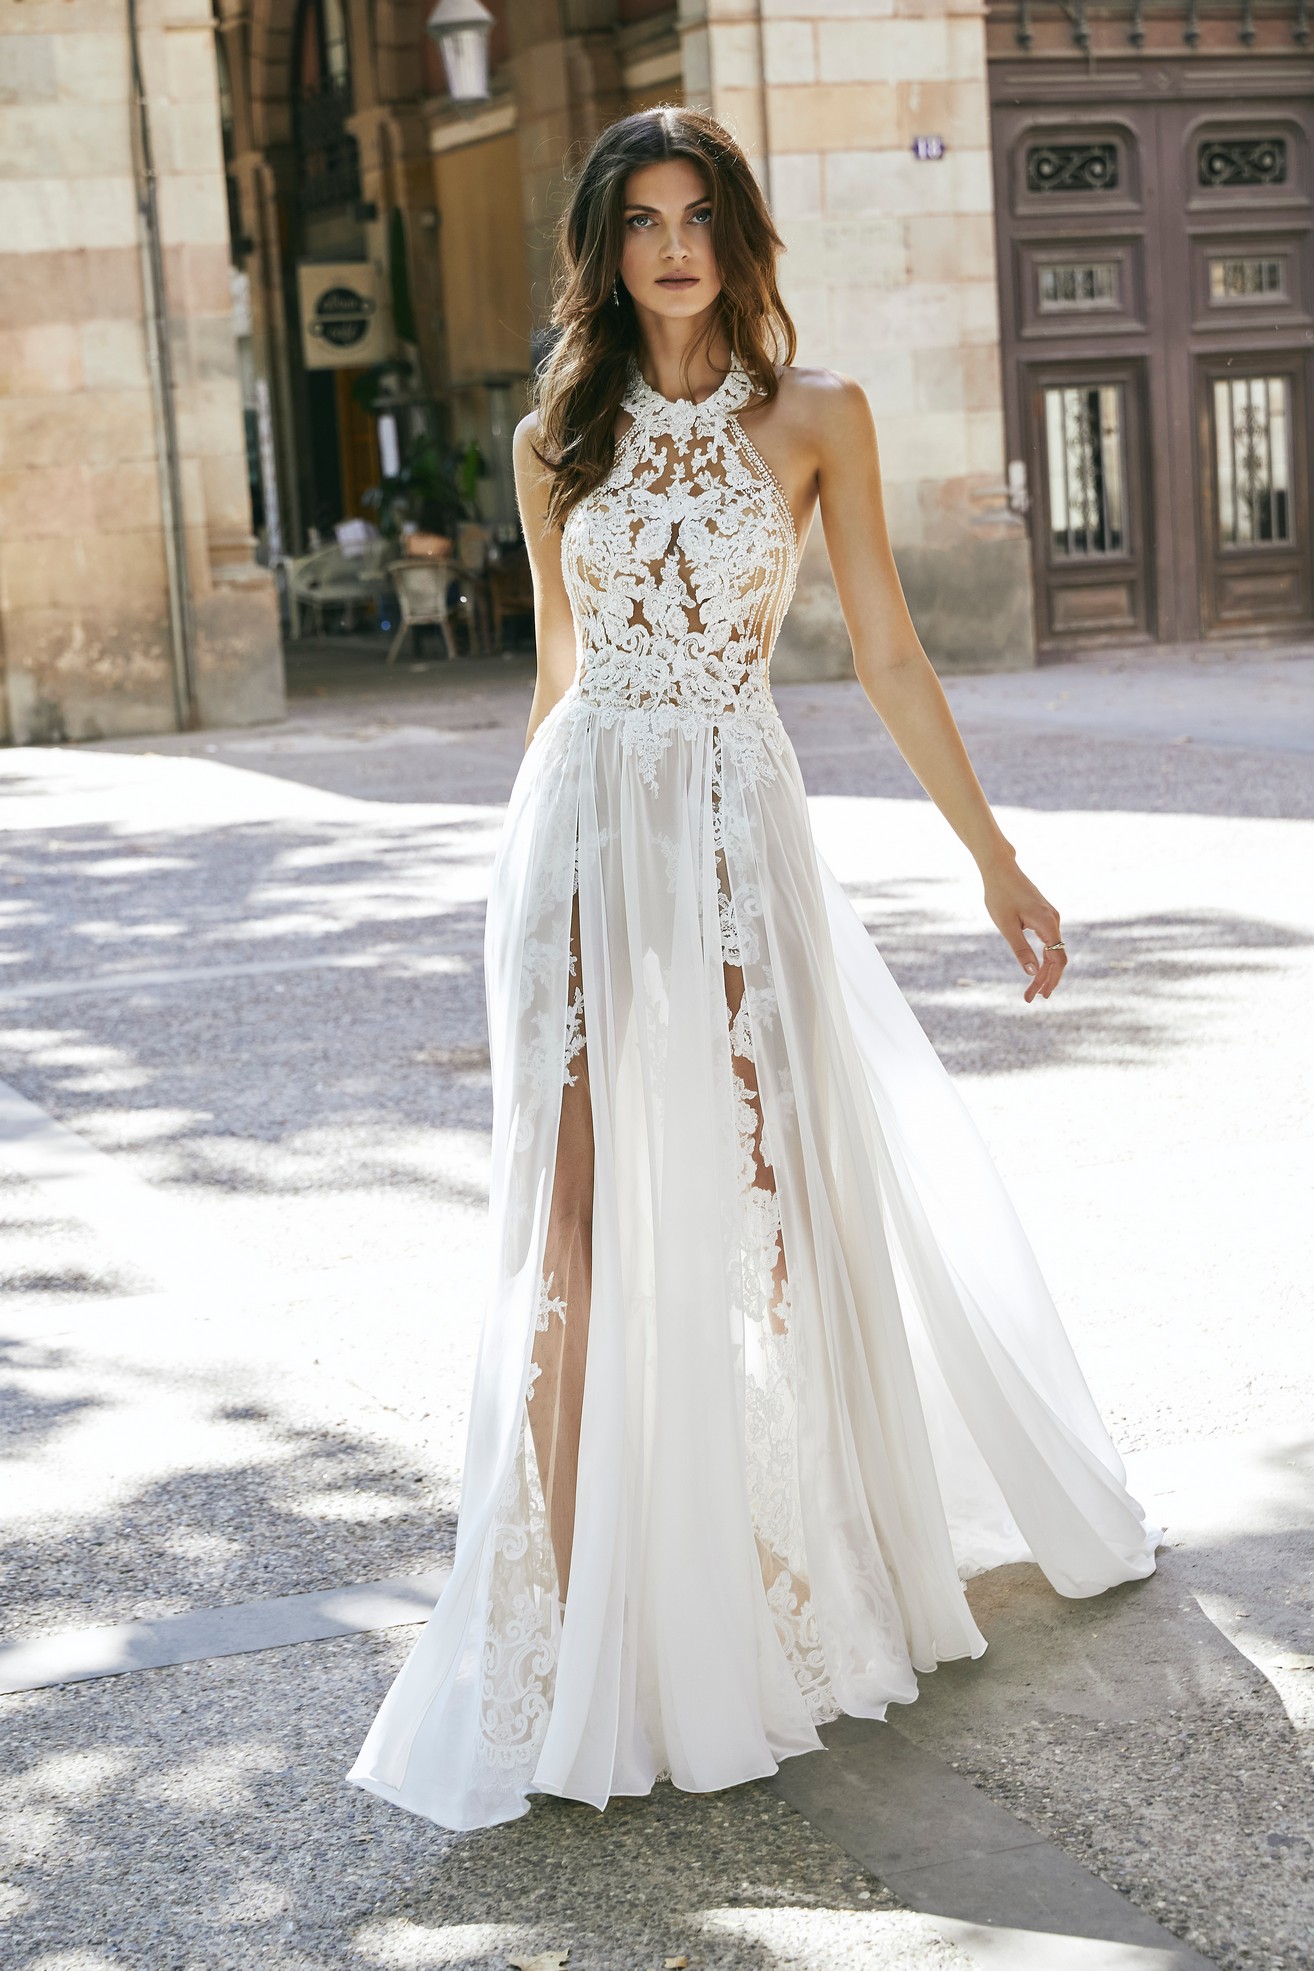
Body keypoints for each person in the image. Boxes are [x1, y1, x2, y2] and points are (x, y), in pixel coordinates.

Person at [348, 105, 1160, 1833]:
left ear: (736, 235)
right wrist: (521, 884)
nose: (669, 245)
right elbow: (558, 682)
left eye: (695, 213)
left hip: (728, 823)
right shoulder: (549, 437)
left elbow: (881, 647)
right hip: (579, 834)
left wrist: (992, 858)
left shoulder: (818, 421)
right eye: (638, 218)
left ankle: (814, 1560)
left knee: (770, 1181)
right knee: (565, 1223)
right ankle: (571, 1626)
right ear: (604, 244)